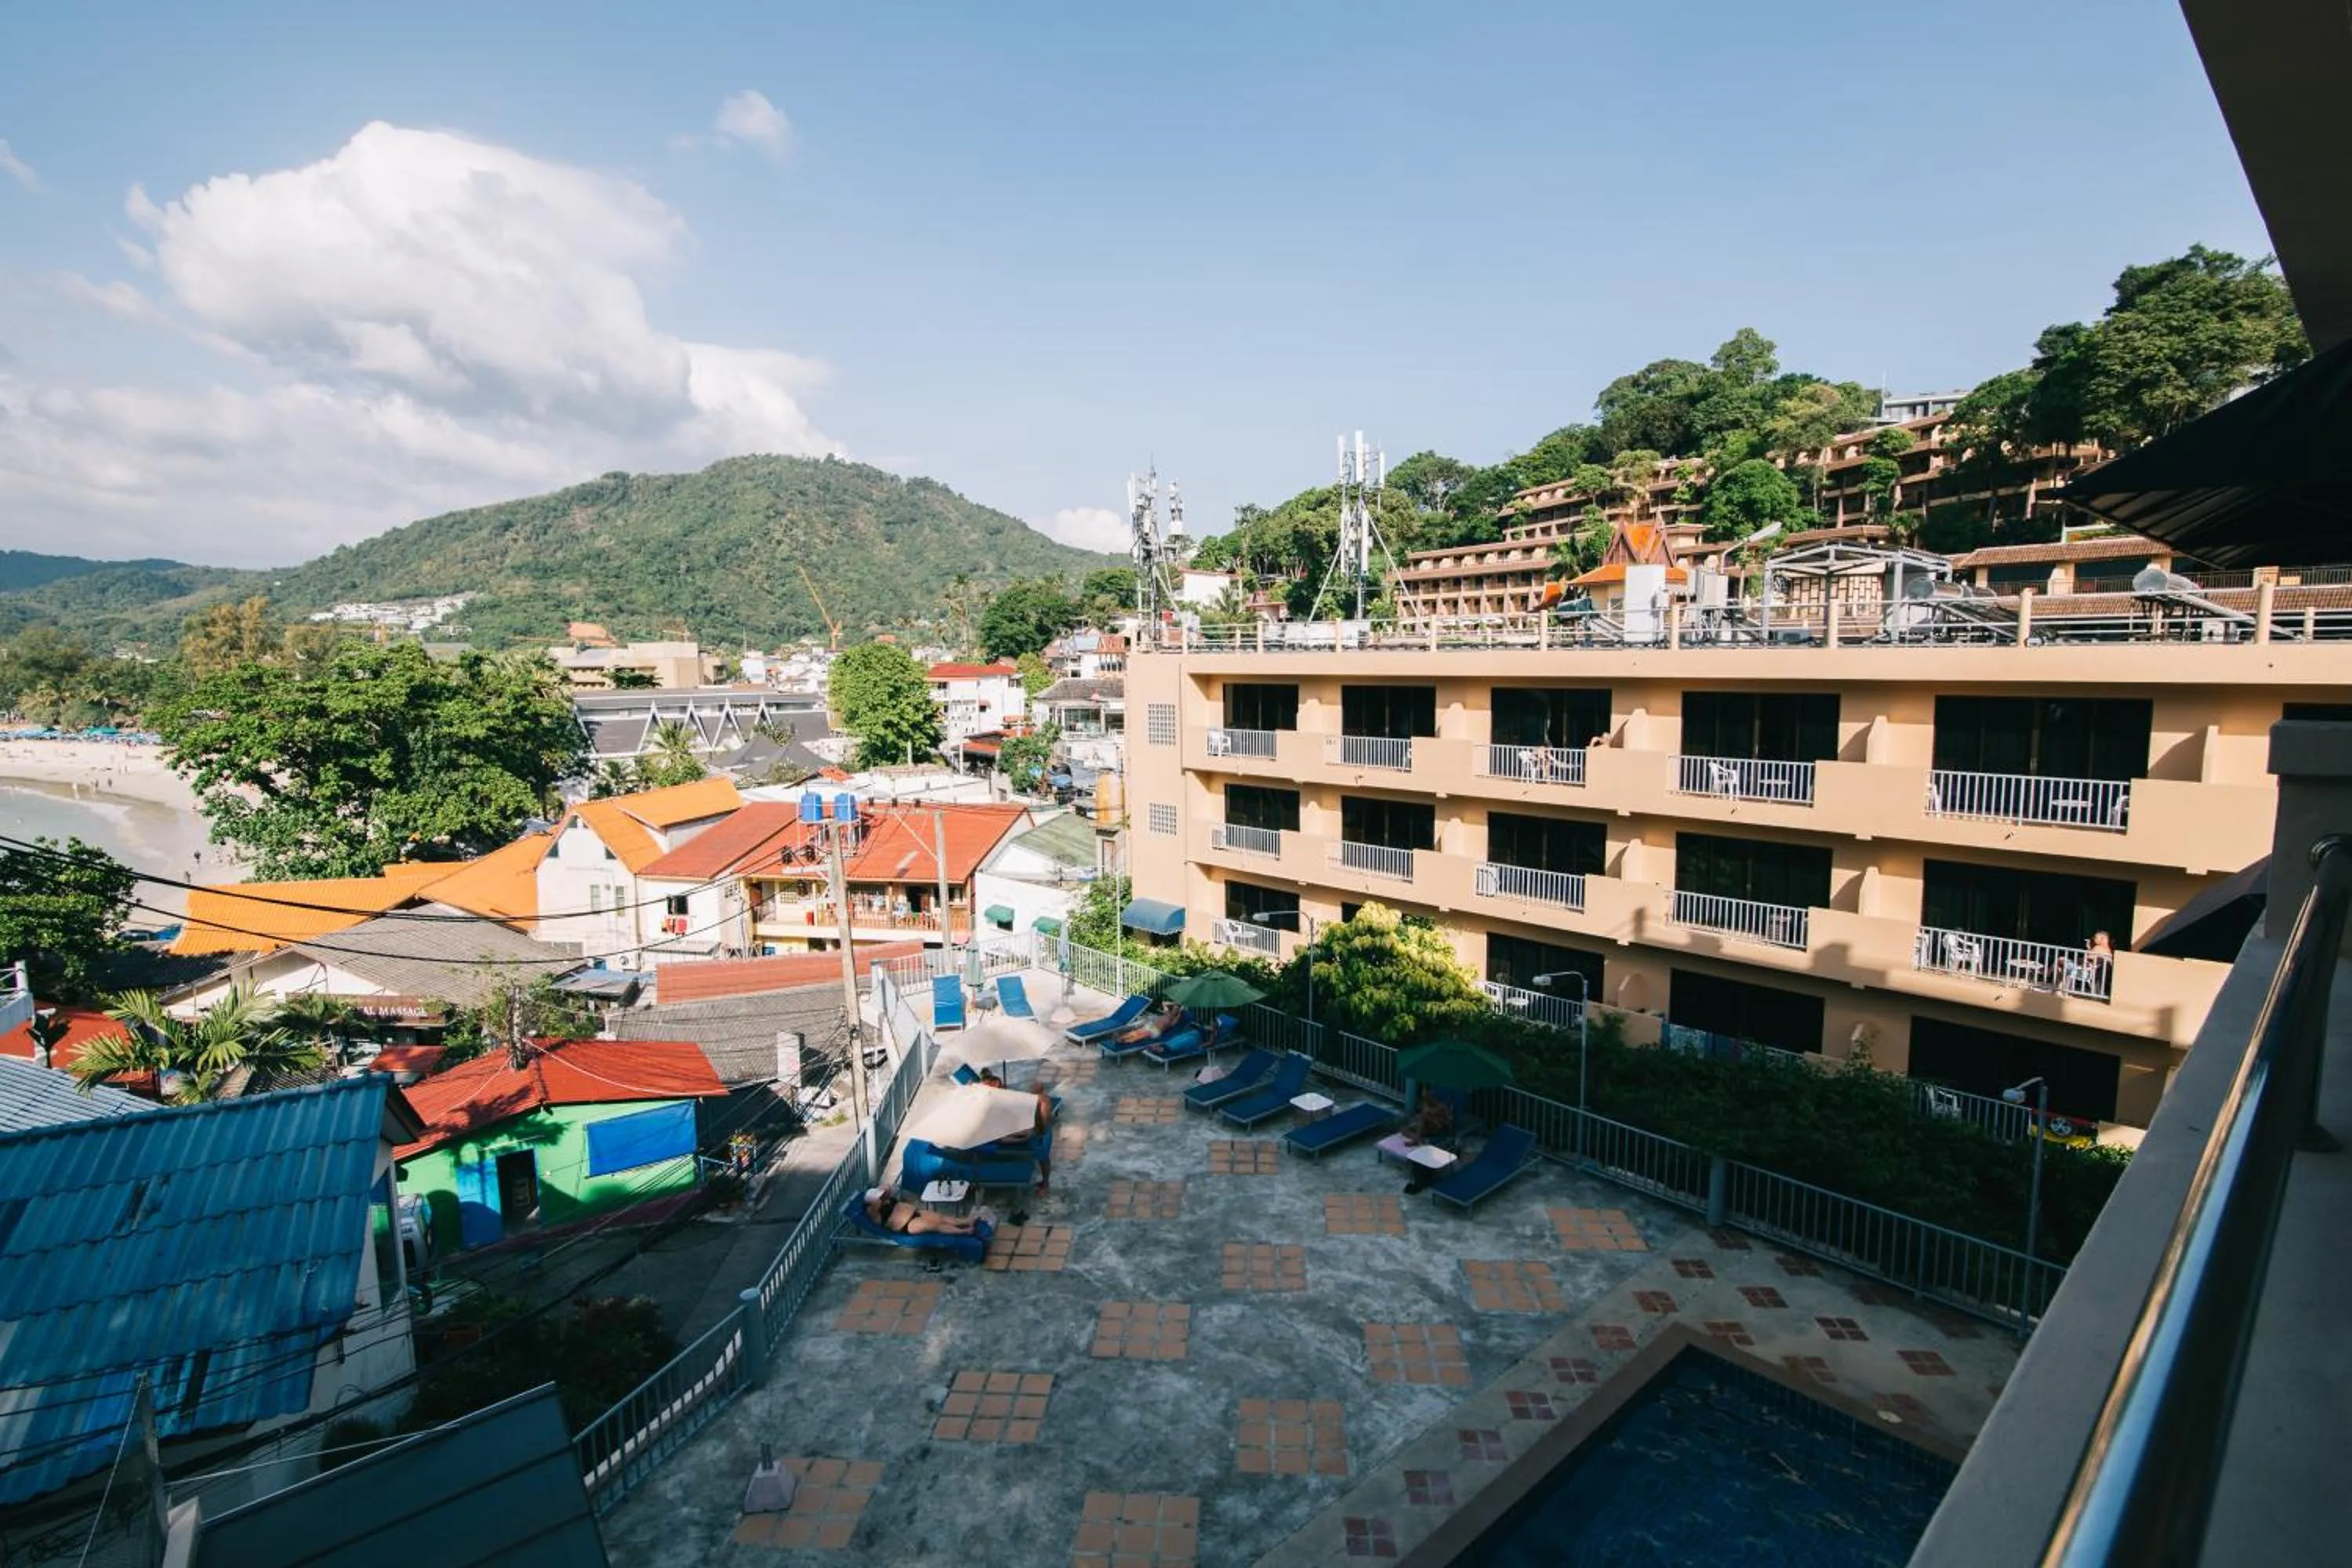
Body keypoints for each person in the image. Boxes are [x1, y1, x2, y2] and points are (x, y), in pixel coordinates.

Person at [864, 1186, 982, 1236]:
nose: (882, 1196)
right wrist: (877, 1196)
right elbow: (875, 1204)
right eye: (878, 1196)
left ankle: (967, 1221)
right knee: (936, 1226)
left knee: (942, 1218)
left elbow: (888, 1187)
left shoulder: (885, 1199)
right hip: (906, 1225)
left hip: (916, 1213)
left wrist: (881, 1190)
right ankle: (964, 1232)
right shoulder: (872, 1211)